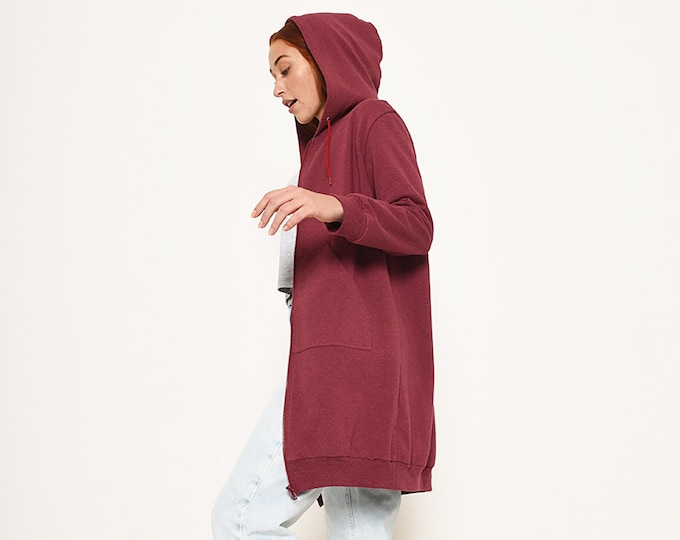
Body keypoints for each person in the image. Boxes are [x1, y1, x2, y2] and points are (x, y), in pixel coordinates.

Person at [212, 12, 435, 539]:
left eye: (285, 68)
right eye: (272, 75)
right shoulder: (314, 155)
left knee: (241, 519)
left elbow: (417, 224)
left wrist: (334, 206)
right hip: (331, 373)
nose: (276, 88)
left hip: (356, 377)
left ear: (325, 62)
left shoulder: (375, 121)